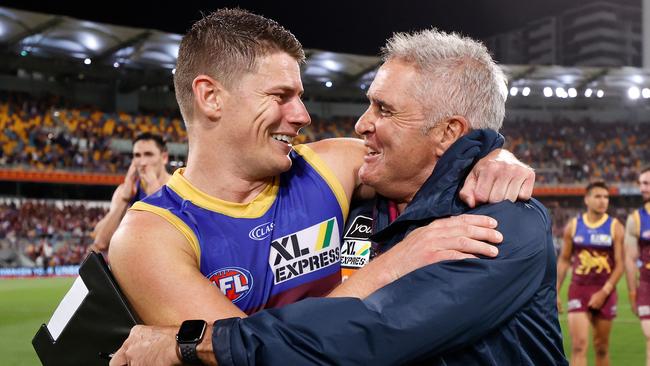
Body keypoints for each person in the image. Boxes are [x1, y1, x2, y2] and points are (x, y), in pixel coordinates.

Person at [111, 24, 564, 366]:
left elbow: (433, 159)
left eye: (300, 95)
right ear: (211, 96)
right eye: (281, 95)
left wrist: (493, 156)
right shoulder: (151, 234)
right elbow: (240, 353)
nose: (303, 115)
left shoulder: (333, 168)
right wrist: (397, 261)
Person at [557, 181, 624, 366]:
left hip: (605, 291)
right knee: (578, 346)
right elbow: (564, 259)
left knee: (601, 347)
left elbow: (620, 265)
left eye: (606, 197)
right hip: (579, 290)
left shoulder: (615, 227)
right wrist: (556, 290)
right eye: (598, 196)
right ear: (587, 199)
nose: (603, 201)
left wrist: (604, 292)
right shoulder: (574, 226)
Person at [91, 132, 171, 253]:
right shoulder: (125, 190)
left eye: (149, 154)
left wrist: (155, 197)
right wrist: (124, 200)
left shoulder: (177, 187)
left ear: (164, 158)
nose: (143, 162)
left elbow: (172, 239)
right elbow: (101, 243)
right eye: (137, 155)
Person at [625, 166, 650, 366]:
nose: (643, 188)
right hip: (647, 285)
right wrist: (633, 292)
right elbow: (631, 259)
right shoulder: (636, 219)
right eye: (641, 183)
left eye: (647, 183)